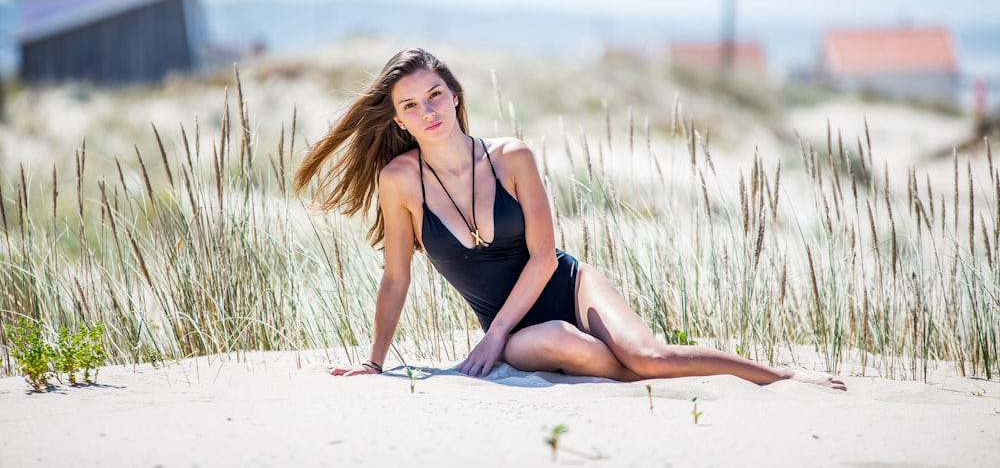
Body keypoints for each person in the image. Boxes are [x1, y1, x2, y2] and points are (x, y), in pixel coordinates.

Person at [293, 48, 846, 390]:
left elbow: (541, 256)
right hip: (520, 333)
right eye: (411, 105)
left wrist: (495, 336)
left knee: (649, 355)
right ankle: (670, 379)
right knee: (563, 341)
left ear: (457, 97)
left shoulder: (511, 157)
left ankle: (782, 378)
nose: (428, 111)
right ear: (398, 119)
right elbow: (396, 277)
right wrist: (374, 362)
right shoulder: (399, 181)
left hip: (568, 283)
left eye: (435, 95)